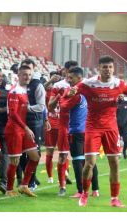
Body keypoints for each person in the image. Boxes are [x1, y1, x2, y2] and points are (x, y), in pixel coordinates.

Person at [67, 56, 127, 207]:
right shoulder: (88, 83)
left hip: (111, 128)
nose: (108, 70)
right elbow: (71, 92)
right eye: (105, 67)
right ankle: (85, 194)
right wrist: (70, 93)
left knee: (115, 163)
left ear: (113, 69)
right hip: (93, 128)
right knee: (89, 163)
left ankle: (114, 198)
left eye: (110, 67)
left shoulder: (118, 84)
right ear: (99, 69)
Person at [59, 67, 99, 198]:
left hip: (77, 131)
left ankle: (80, 191)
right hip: (90, 130)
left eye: (71, 78)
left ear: (79, 78)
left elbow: (63, 106)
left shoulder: (76, 94)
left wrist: (64, 95)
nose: (68, 80)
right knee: (91, 161)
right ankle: (95, 190)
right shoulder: (90, 92)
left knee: (77, 161)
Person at [5, 65, 40, 197]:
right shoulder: (14, 91)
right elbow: (13, 114)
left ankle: (24, 185)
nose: (27, 77)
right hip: (14, 129)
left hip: (22, 128)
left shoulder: (24, 90)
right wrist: (26, 128)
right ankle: (9, 189)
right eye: (24, 74)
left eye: (29, 75)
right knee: (15, 160)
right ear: (18, 75)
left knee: (35, 157)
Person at [48, 60, 78, 196]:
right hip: (64, 125)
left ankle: (88, 188)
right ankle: (62, 186)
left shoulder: (83, 86)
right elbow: (50, 106)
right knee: (62, 155)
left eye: (74, 71)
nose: (72, 74)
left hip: (80, 126)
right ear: (65, 71)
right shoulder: (58, 86)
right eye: (70, 71)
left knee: (84, 157)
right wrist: (61, 96)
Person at [16, 59, 46, 191]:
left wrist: (25, 108)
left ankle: (31, 182)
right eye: (24, 71)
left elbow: (41, 106)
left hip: (34, 122)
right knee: (21, 153)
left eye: (29, 70)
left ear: (33, 70)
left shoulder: (37, 85)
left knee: (34, 154)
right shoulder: (17, 86)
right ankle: (25, 181)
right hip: (20, 123)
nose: (27, 74)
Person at [44, 71, 62, 184]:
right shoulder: (47, 91)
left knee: (63, 151)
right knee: (50, 151)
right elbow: (44, 86)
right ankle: (50, 176)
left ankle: (65, 174)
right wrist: (50, 81)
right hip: (51, 123)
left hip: (62, 124)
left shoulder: (63, 90)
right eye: (52, 80)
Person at [116, 94, 127, 159]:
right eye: (119, 96)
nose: (120, 97)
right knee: (116, 141)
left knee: (126, 141)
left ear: (123, 97)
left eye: (121, 96)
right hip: (116, 126)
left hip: (125, 126)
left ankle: (124, 151)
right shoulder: (115, 104)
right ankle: (118, 153)